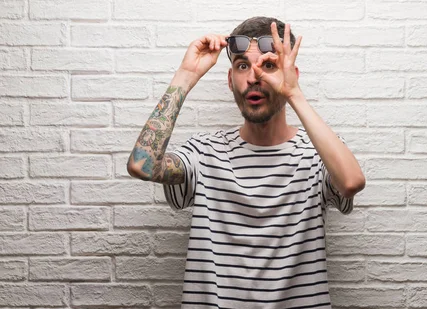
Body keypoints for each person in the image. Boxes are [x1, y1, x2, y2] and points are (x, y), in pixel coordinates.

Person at [127, 16, 365, 309]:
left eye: (269, 65)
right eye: (242, 65)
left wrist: (293, 93)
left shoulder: (317, 153)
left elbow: (352, 182)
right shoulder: (204, 153)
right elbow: (143, 165)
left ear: (291, 74)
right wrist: (186, 74)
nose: (254, 76)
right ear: (230, 80)